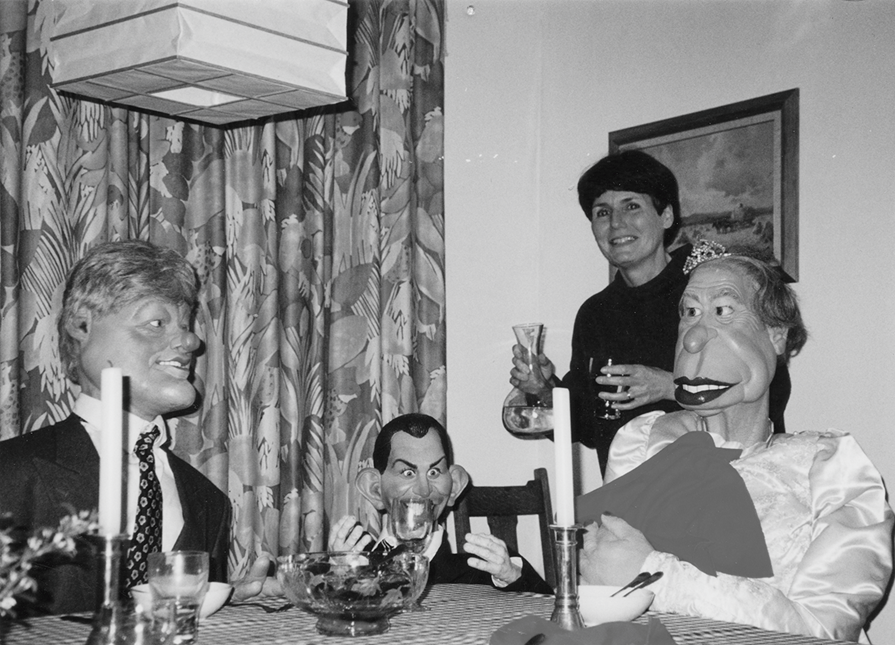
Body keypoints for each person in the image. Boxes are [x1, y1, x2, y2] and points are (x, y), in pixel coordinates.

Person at [576, 245, 893, 641]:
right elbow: (605, 587)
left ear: (776, 335)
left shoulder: (830, 468)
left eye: (724, 311)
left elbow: (825, 629)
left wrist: (657, 575)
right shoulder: (642, 440)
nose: (693, 338)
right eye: (689, 313)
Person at [0, 240, 273, 614]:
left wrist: (225, 609)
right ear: (83, 325)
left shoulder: (208, 501)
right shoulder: (10, 473)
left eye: (186, 326)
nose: (191, 342)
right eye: (156, 322)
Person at [509, 150, 791, 474]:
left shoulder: (707, 289)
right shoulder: (594, 314)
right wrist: (543, 390)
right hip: (631, 502)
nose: (616, 223)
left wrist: (670, 385)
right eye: (602, 212)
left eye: (632, 206)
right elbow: (589, 427)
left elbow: (772, 385)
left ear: (666, 216)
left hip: (726, 490)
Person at [329, 413, 553, 594]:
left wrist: (511, 576)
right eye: (407, 472)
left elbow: (549, 616)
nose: (424, 490)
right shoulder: (353, 562)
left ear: (454, 485)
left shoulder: (482, 571)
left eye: (434, 471)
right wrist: (336, 579)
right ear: (375, 489)